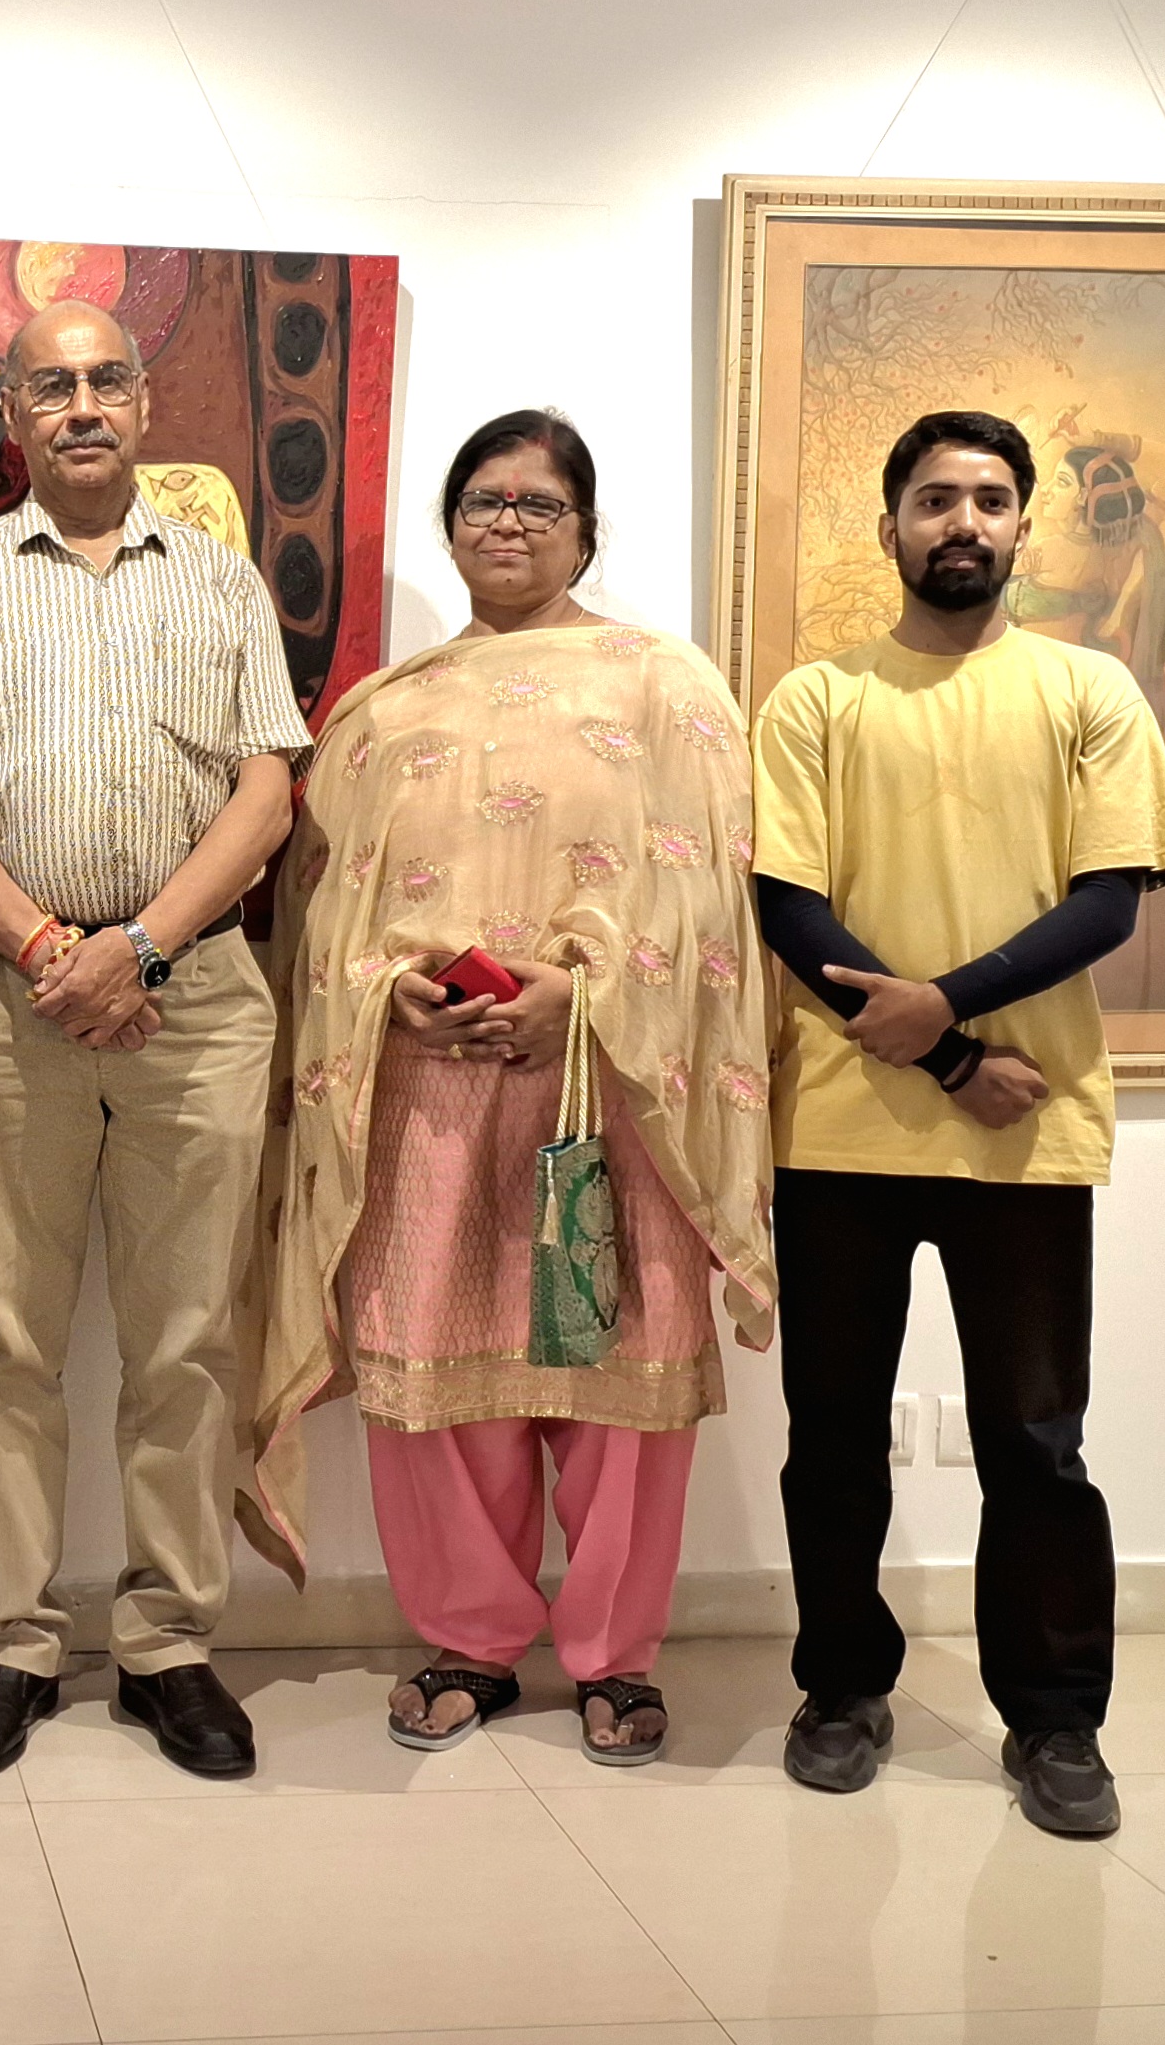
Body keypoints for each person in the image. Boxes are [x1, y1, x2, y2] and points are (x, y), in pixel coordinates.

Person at [250, 410, 776, 1762]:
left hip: (613, 1090)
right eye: (483, 500)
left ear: (585, 531)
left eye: (540, 504)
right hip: (424, 1088)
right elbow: (319, 915)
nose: (507, 523)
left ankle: (614, 1653)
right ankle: (470, 1637)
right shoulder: (379, 712)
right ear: (449, 524)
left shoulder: (667, 688)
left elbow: (715, 909)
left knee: (612, 1373)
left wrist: (584, 998)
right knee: (437, 1378)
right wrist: (387, 985)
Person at [0, 300, 309, 1781]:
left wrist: (140, 948)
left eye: (105, 380)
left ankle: (167, 1642)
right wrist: (47, 950)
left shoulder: (220, 580)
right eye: (50, 385)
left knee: (185, 1337)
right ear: (10, 416)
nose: (80, 405)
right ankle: (9, 1641)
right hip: (5, 1002)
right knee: (3, 1338)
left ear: (141, 404)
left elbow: (267, 790)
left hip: (196, 1000)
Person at [752, 408, 1165, 1839]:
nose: (963, 522)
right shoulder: (816, 700)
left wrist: (941, 1007)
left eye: (989, 500)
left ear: (1022, 526)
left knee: (1034, 1441)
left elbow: (1107, 900)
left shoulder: (1088, 690)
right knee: (831, 1434)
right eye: (935, 498)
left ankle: (1056, 1720)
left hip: (1028, 1130)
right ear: (888, 524)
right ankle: (841, 1687)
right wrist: (948, 1054)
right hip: (839, 1134)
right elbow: (785, 905)